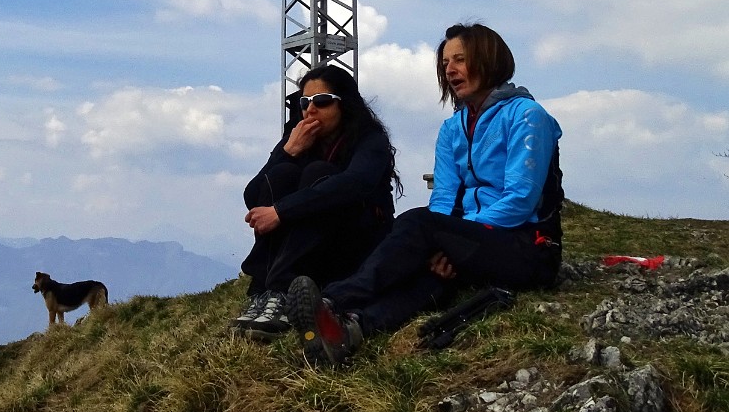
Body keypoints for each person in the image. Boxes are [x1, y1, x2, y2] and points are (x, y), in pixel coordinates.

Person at [287, 22, 564, 366]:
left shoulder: (527, 116)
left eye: (460, 60)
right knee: (433, 278)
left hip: (528, 247)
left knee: (417, 224)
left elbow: (520, 200)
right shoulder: (452, 128)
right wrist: (447, 243)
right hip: (476, 243)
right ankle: (348, 331)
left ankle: (331, 302)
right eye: (446, 63)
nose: (450, 70)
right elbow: (444, 198)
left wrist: (447, 240)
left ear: (489, 60)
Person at [231, 64, 400, 338]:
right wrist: (287, 152)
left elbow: (354, 184)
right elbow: (254, 195)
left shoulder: (370, 139)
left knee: (318, 174)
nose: (310, 110)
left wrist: (281, 211)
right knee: (283, 173)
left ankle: (282, 291)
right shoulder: (297, 137)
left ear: (344, 105)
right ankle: (267, 291)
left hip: (356, 242)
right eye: (304, 102)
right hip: (307, 249)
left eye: (322, 102)